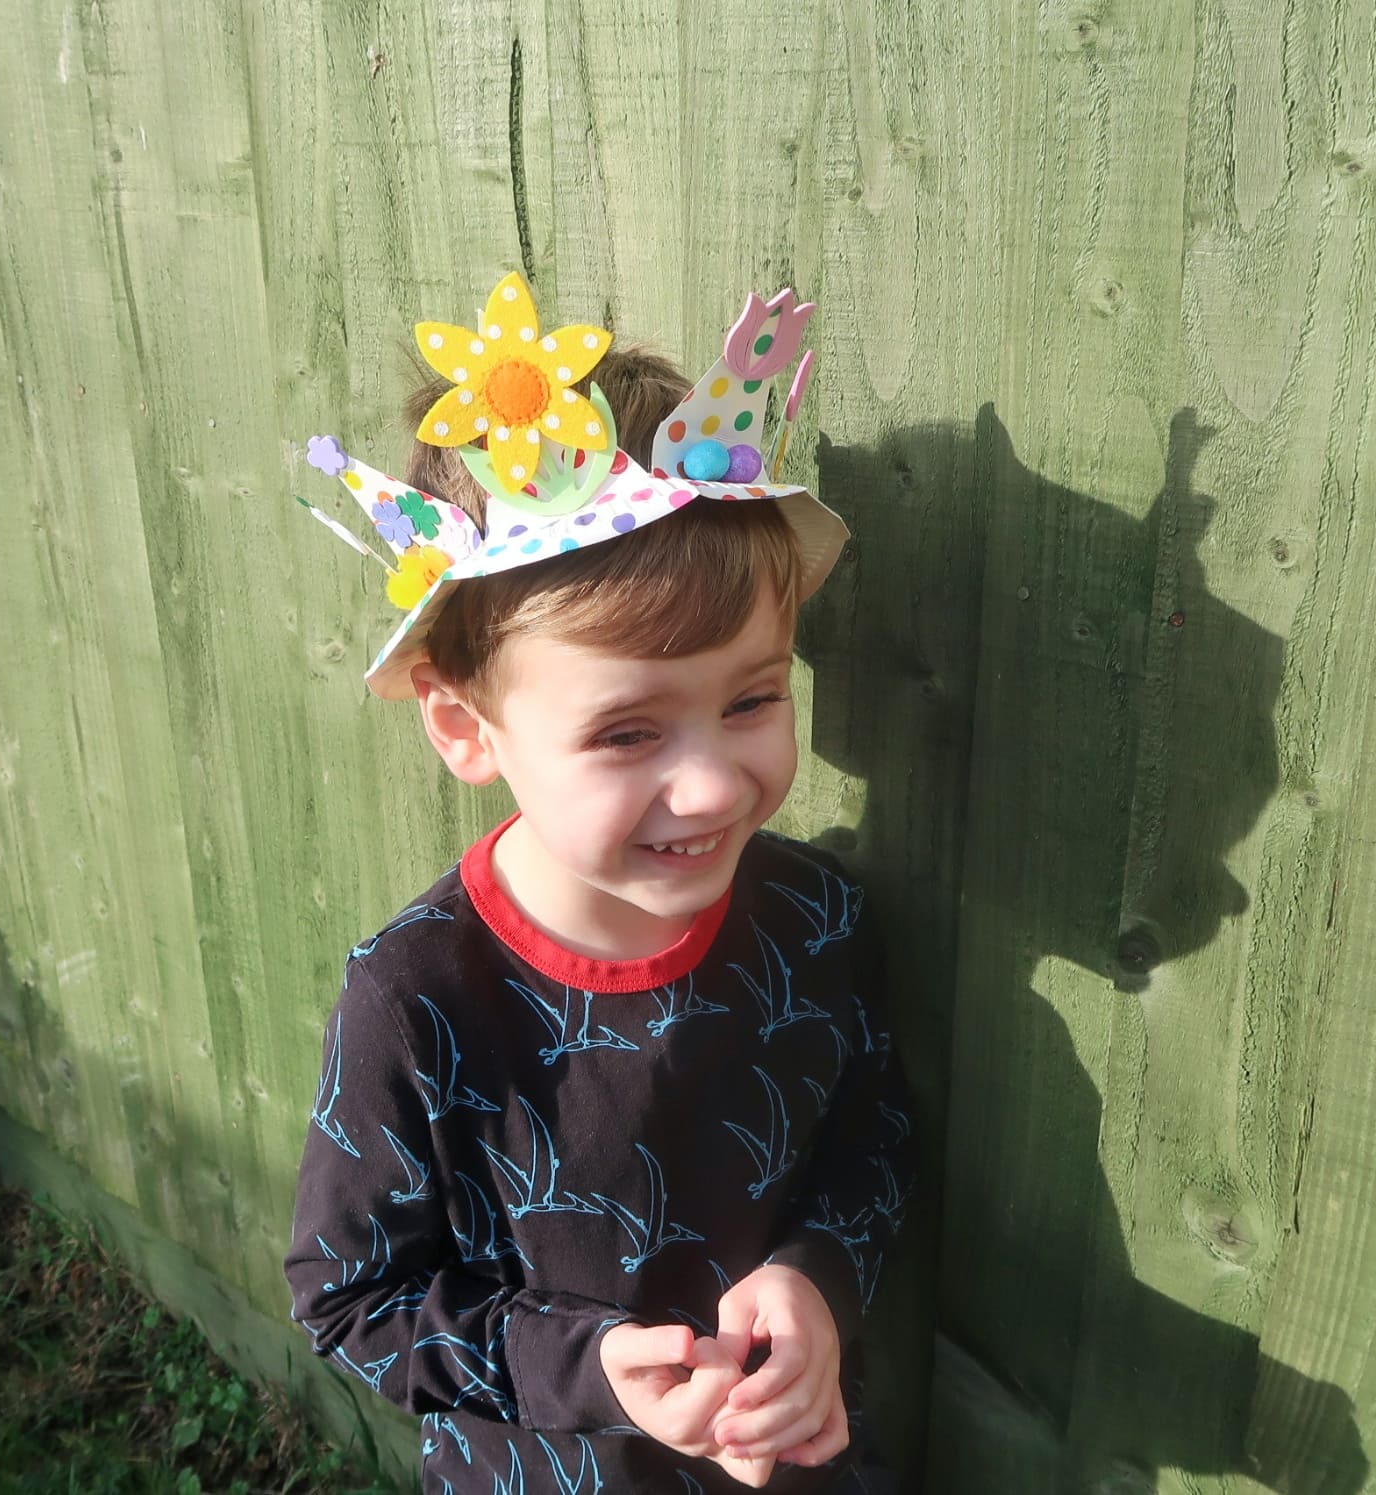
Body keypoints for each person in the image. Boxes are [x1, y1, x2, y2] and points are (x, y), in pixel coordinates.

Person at [283, 272, 914, 1492]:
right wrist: (581, 1365)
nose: (715, 784)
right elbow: (351, 1293)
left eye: (752, 698)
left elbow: (868, 1140)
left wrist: (815, 1282)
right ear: (466, 728)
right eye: (627, 734)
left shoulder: (817, 921)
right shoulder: (417, 997)